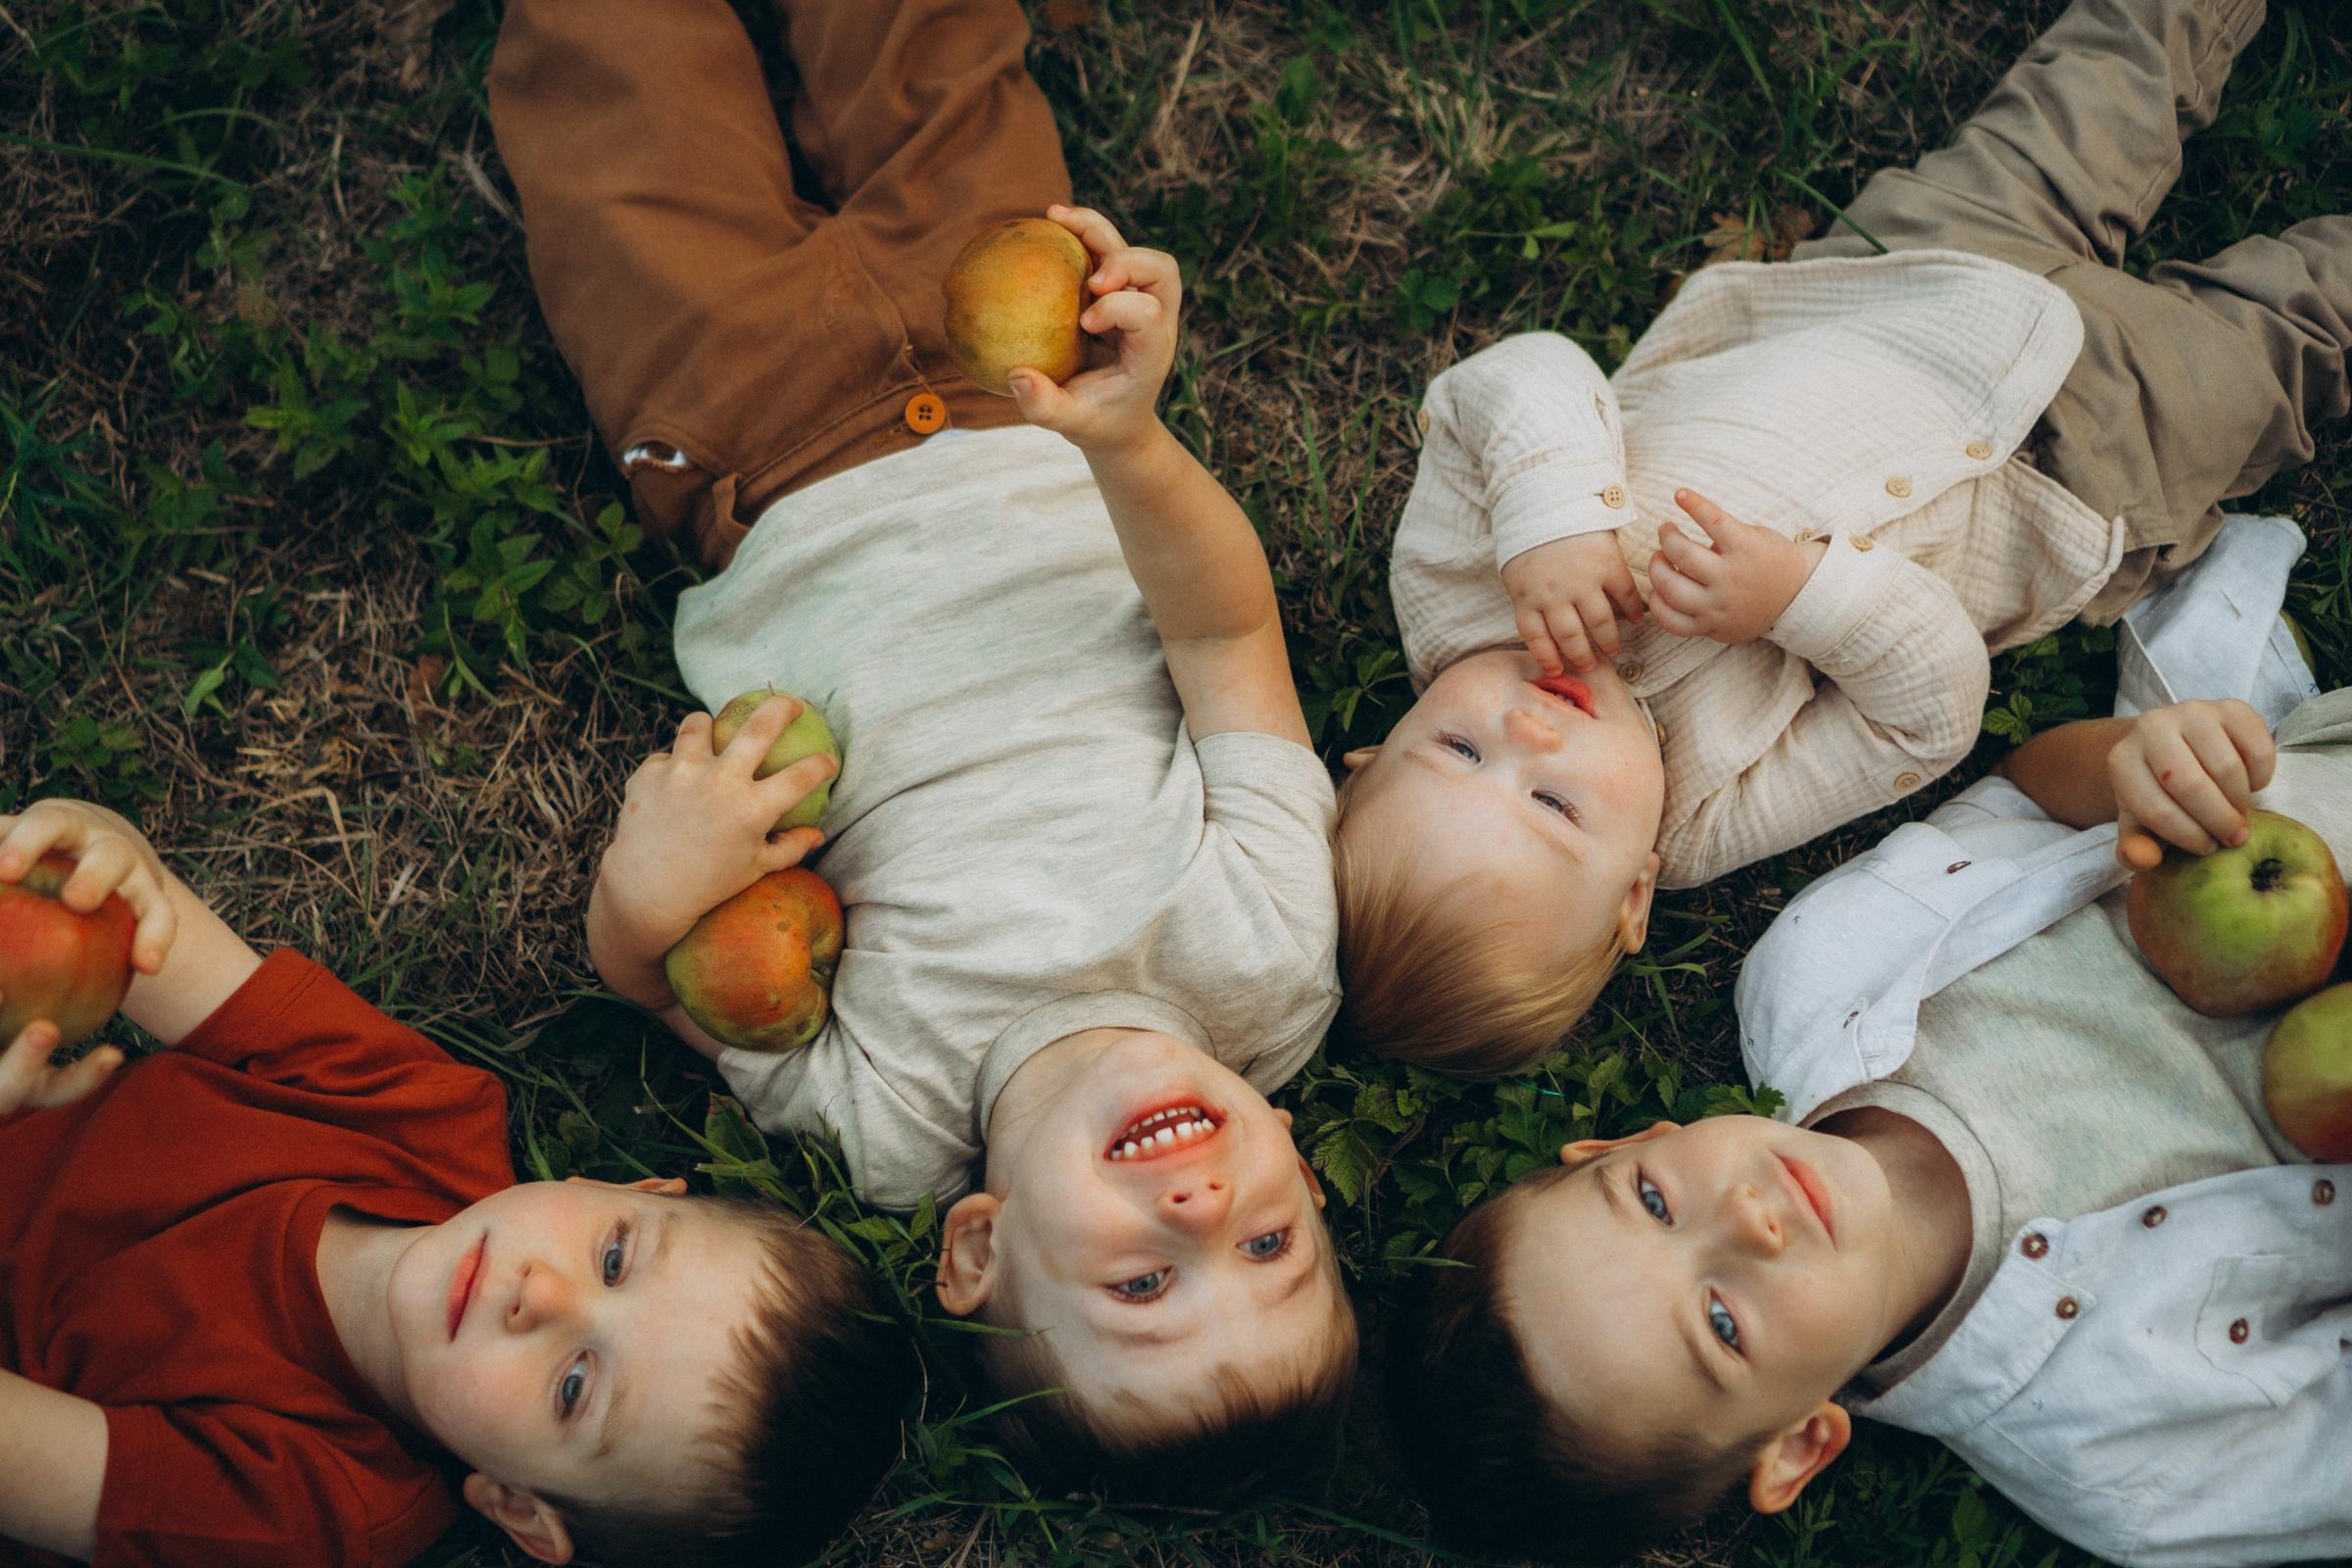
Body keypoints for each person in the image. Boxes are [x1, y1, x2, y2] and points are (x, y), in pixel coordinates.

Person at [486, 0, 1354, 1498]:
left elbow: (644, 978)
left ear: (976, 1249)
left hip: (743, 435)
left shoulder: (881, 1121)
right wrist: (1133, 437)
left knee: (613, 110)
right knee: (932, 51)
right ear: (1304, 1165)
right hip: (1016, 374)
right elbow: (1225, 644)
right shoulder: (1271, 956)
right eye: (1271, 1245)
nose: (1202, 1209)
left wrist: (651, 891)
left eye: (1144, 1290)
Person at [1330, 0, 2350, 1076]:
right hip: (2082, 465)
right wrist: (1799, 599)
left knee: (2104, 79)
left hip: (1908, 275)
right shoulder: (1711, 816)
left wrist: (1554, 517)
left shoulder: (1451, 595)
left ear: (1369, 755)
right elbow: (1930, 719)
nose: (1528, 736)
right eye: (1554, 803)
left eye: (1455, 748)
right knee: (2305, 327)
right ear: (1635, 891)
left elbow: (1507, 384)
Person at [1386, 505, 2352, 1568]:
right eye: (1721, 1325)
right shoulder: (2136, 1462)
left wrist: (2137, 762)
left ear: (1624, 1142)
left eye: (1655, 1200)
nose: (1747, 1217)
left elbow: (2033, 793)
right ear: (1798, 1445)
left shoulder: (1820, 974)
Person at [0, 799, 913, 1568]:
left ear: (516, 1506)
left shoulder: (311, 1506)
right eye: (613, 1255)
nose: (541, 1296)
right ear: (626, 1188)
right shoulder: (423, 1113)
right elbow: (164, 945)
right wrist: (105, 874)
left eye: (573, 1388)